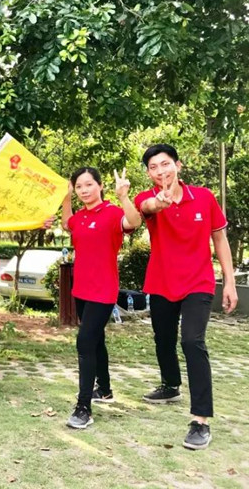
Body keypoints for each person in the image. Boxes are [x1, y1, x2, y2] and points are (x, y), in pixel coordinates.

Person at [135, 144, 238, 450]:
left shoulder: (204, 197)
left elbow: (220, 239)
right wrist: (159, 202)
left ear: (178, 165)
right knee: (163, 339)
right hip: (161, 282)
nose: (160, 171)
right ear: (149, 173)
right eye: (153, 167)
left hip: (199, 282)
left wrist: (229, 282)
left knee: (192, 341)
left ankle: (200, 420)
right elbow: (147, 208)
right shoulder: (146, 197)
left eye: (165, 164)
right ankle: (170, 385)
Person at [61, 167, 141, 429]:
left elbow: (134, 222)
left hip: (103, 290)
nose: (84, 190)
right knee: (96, 340)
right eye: (79, 186)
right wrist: (65, 198)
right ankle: (104, 389)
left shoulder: (113, 213)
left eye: (89, 185)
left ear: (100, 185)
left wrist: (124, 197)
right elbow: (66, 224)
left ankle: (83, 407)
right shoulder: (80, 217)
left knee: (85, 342)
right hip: (81, 289)